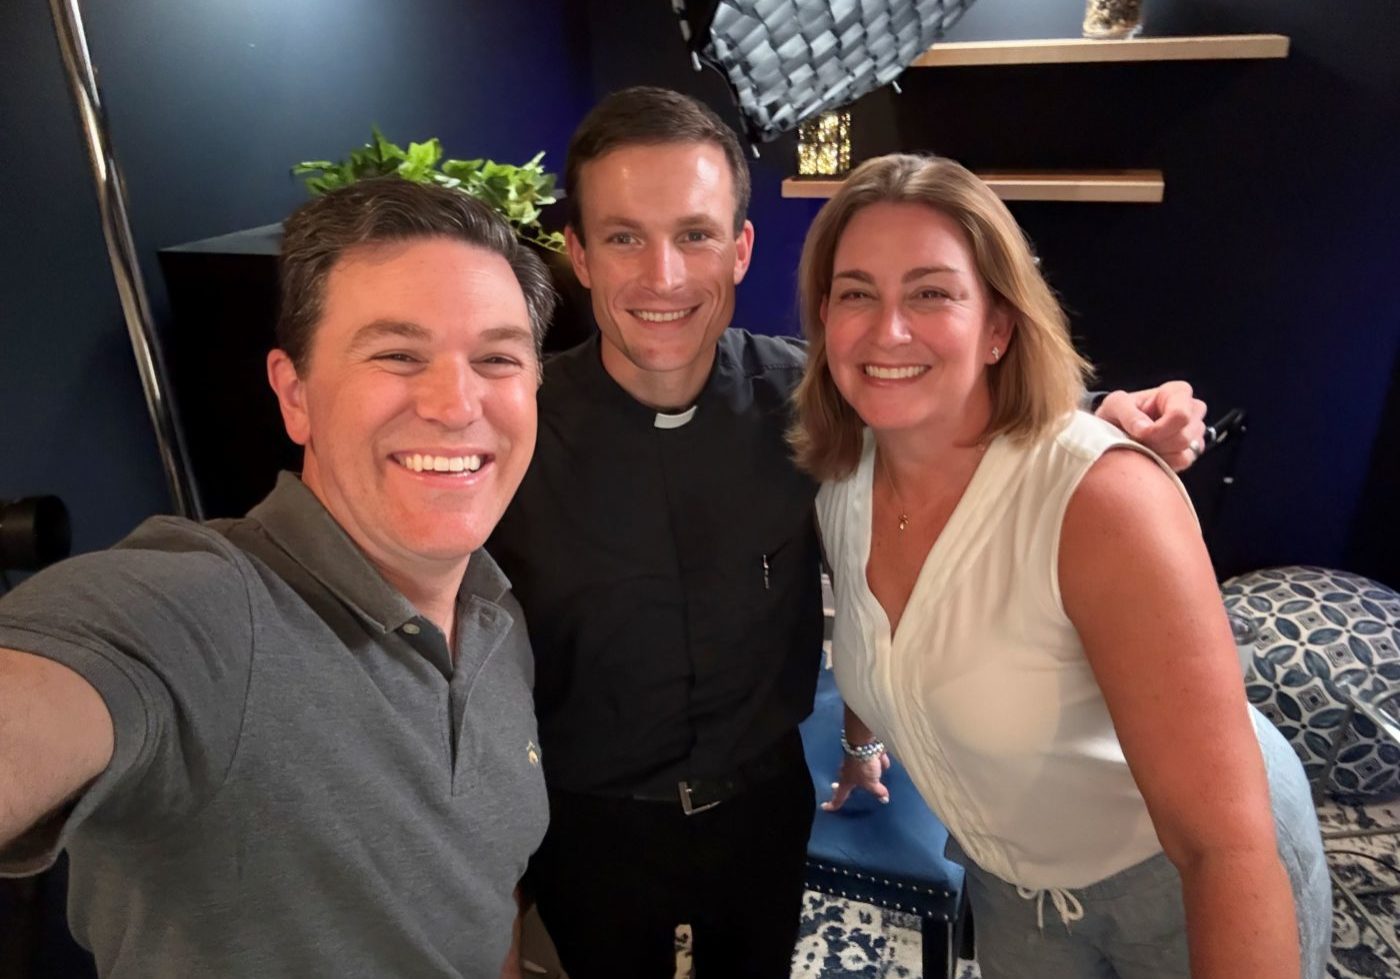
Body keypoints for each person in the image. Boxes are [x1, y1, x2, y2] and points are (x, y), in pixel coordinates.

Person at [487, 86, 1209, 978]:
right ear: (580, 256)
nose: (664, 276)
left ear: (742, 248)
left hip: (762, 811)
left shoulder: (807, 402)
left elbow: (956, 408)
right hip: (589, 825)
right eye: (625, 236)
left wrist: (1107, 414)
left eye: (697, 234)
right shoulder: (509, 432)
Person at [795, 153, 1331, 978]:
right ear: (823, 316)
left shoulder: (1101, 500)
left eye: (932, 292)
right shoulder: (843, 480)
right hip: (1011, 892)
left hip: (1183, 886)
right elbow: (882, 643)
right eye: (857, 292)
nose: (887, 329)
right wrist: (863, 745)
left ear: (999, 326)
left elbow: (1221, 843)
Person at [0, 179, 554, 977]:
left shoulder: (497, 620)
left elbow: (481, 895)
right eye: (398, 354)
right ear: (296, 396)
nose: (454, 402)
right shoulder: (213, 610)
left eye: (497, 357)